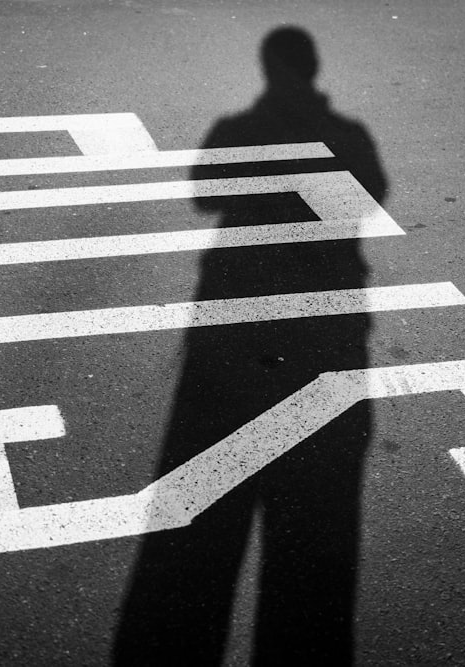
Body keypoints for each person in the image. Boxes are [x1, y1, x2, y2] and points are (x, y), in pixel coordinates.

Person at [113, 27, 388, 665]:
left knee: (207, 493)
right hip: (324, 317)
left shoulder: (237, 127)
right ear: (313, 69)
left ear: (267, 70)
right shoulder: (346, 134)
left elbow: (204, 192)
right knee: (316, 516)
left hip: (237, 318)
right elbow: (370, 202)